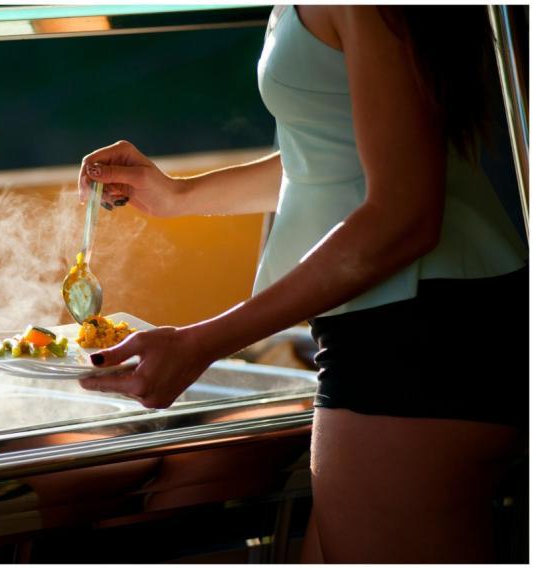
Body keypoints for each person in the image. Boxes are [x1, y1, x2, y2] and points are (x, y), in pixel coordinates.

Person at [75, 5, 528, 563]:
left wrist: (202, 343)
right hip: (419, 324)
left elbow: (403, 217)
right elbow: (330, 153)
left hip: (416, 339)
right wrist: (179, 197)